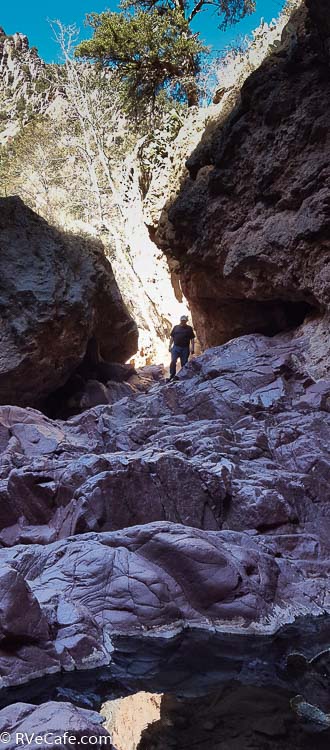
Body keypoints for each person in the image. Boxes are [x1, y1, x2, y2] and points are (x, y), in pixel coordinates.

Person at [169, 315, 195, 379]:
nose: (183, 322)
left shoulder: (189, 328)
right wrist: (169, 346)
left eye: (184, 321)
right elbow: (172, 337)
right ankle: (172, 375)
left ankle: (183, 376)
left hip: (185, 348)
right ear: (180, 321)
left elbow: (192, 339)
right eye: (182, 320)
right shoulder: (175, 327)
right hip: (176, 347)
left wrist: (192, 348)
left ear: (186, 321)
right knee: (173, 361)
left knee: (184, 363)